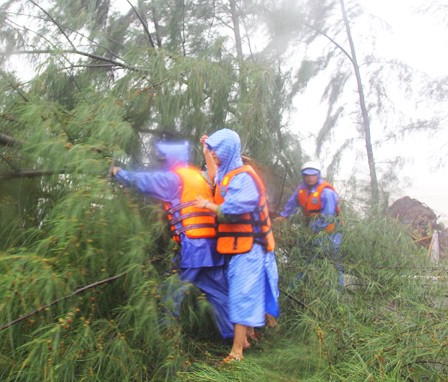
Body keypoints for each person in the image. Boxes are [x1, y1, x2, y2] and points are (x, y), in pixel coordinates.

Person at [111, 140, 233, 340]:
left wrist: (119, 173)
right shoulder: (198, 177)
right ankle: (236, 338)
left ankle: (163, 338)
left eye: (164, 160)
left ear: (171, 160)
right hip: (212, 247)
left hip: (194, 248)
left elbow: (144, 181)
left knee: (170, 291)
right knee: (221, 295)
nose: (163, 164)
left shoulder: (174, 179)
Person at [196, 128, 280, 364]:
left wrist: (207, 205)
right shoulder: (228, 175)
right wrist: (206, 150)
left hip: (250, 248)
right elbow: (216, 178)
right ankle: (246, 338)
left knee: (241, 295)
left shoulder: (244, 179)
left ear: (228, 151)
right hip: (238, 247)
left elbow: (232, 211)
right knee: (239, 292)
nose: (214, 157)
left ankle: (236, 353)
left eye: (216, 152)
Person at [274, 161, 343, 285]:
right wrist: (284, 216)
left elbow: (328, 216)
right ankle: (299, 284)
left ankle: (338, 287)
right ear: (303, 176)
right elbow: (292, 203)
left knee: (332, 259)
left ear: (318, 175)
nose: (310, 177)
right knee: (305, 256)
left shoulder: (326, 192)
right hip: (311, 226)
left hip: (329, 231)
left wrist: (312, 230)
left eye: (313, 175)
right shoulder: (302, 190)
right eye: (307, 175)